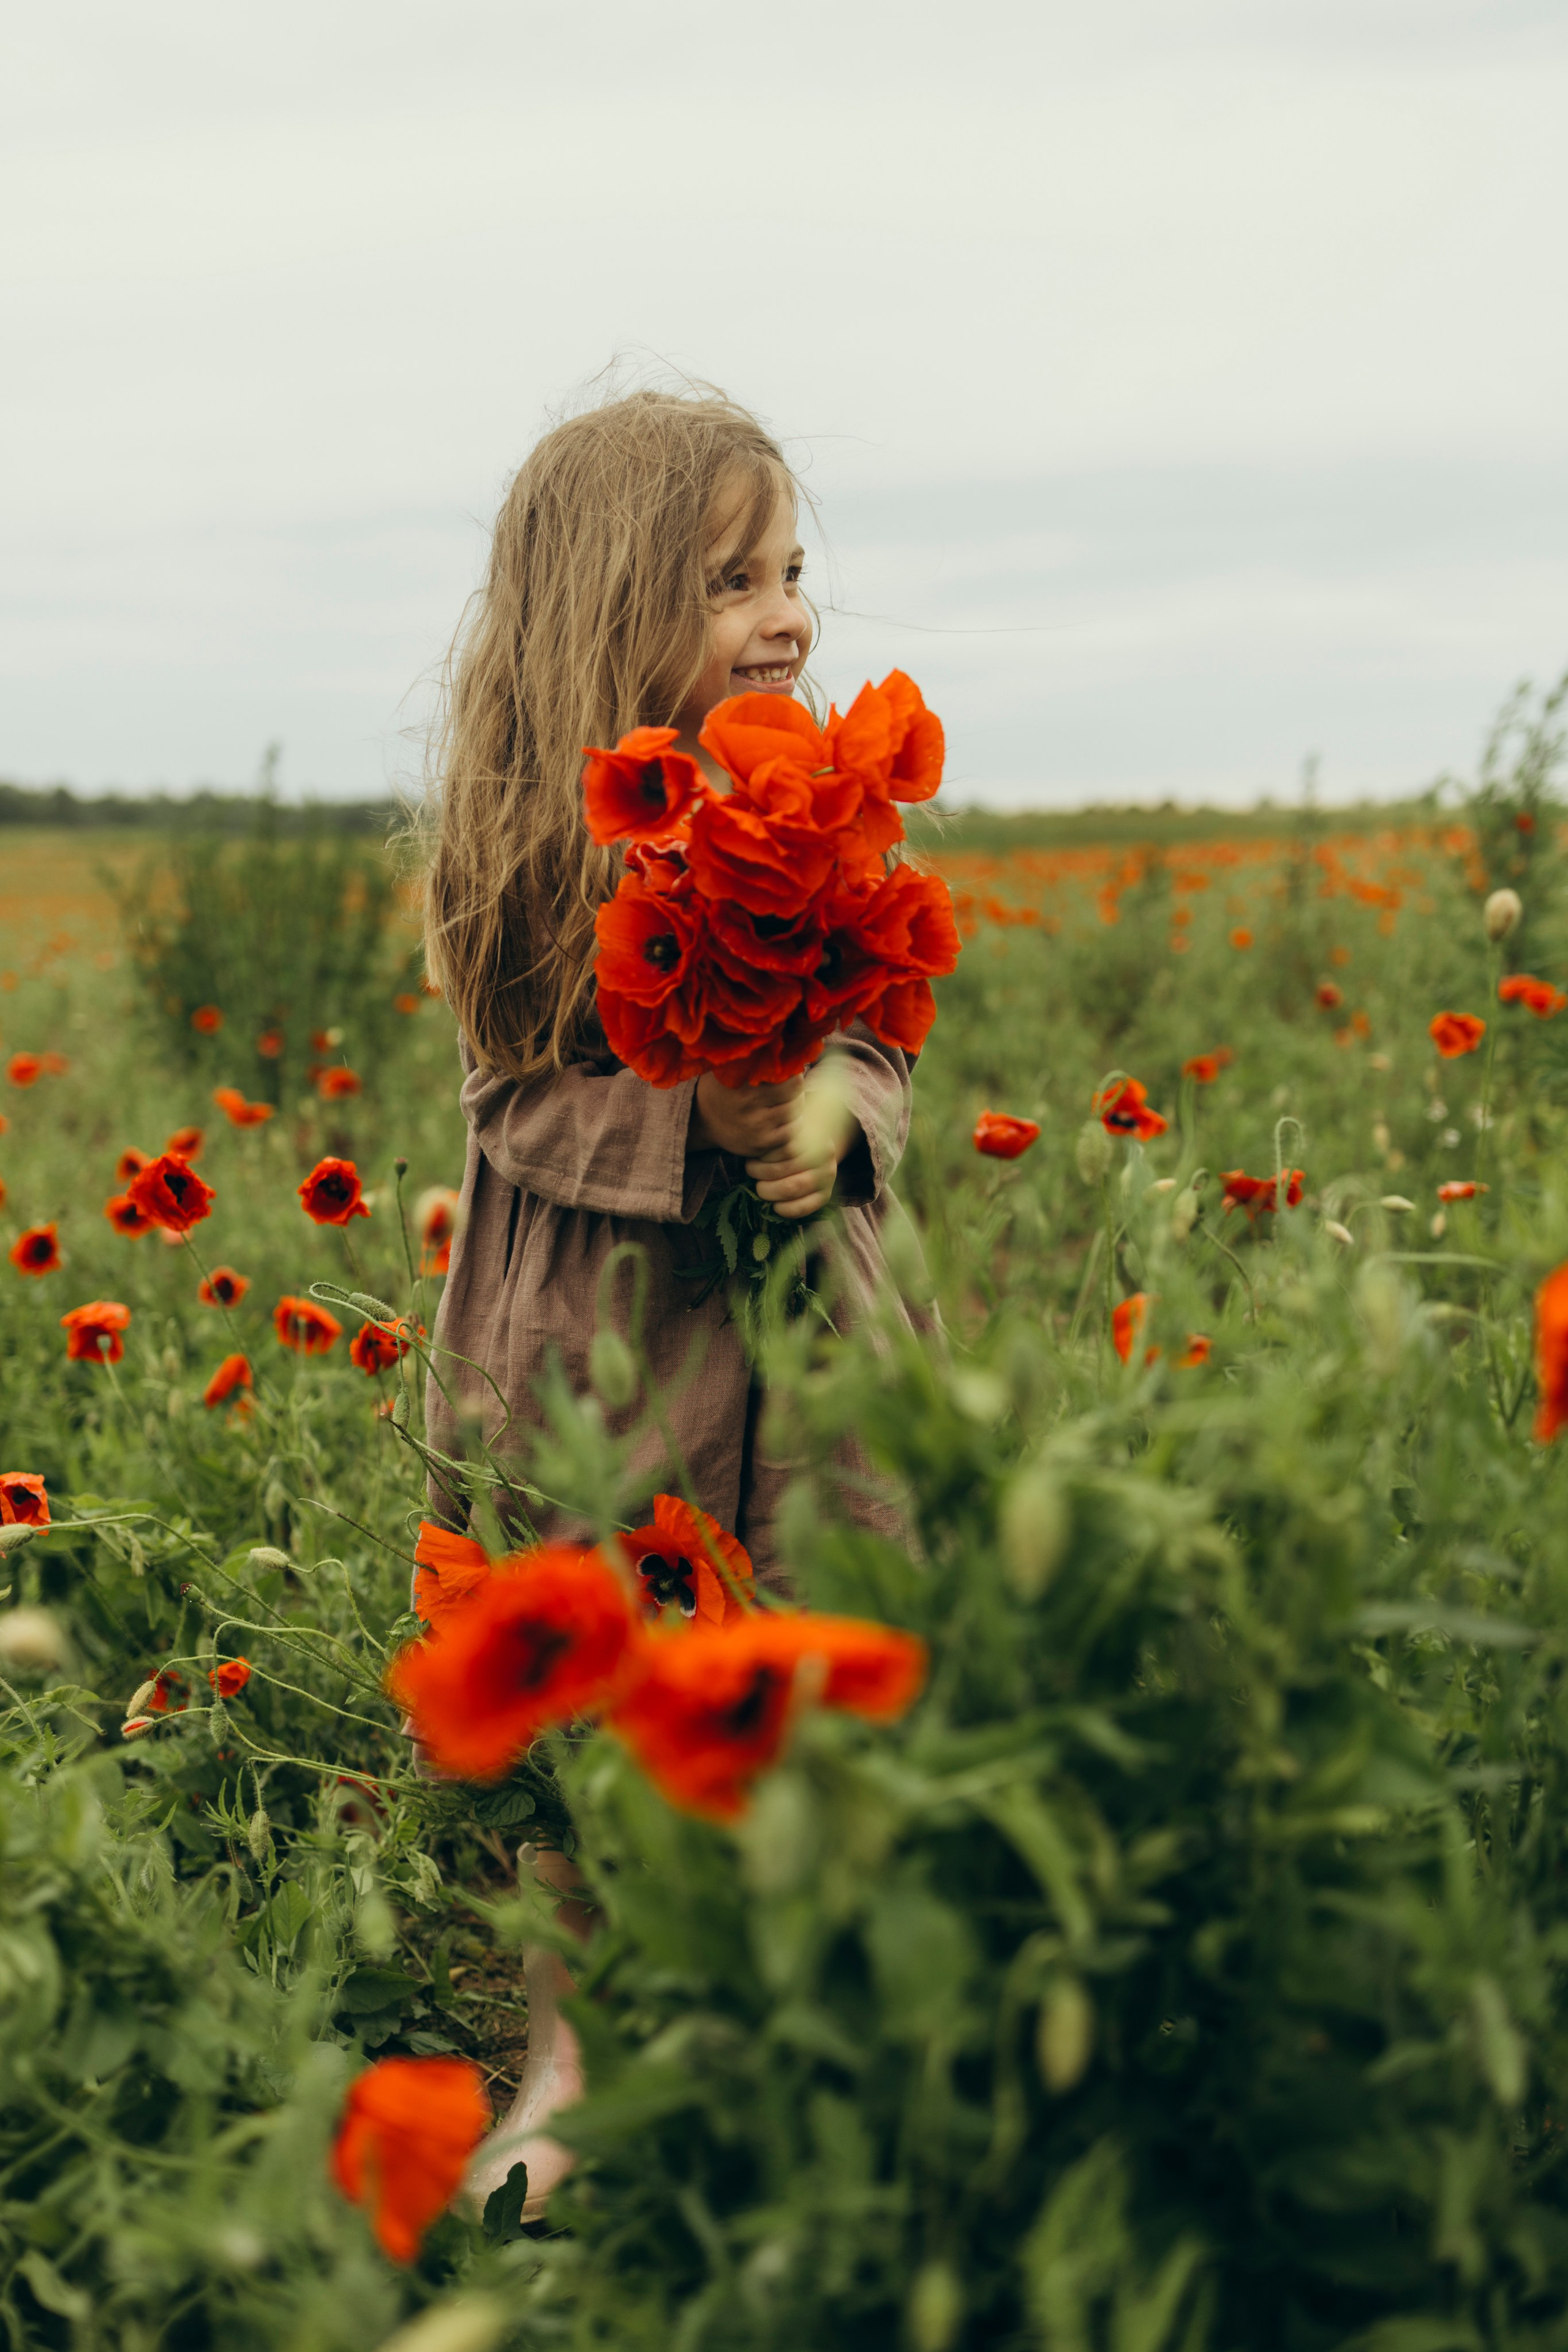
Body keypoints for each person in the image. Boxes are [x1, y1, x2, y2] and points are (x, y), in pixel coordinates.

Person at [420, 383, 922, 2216]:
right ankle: (574, 2052)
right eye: (733, 582)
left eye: (790, 574)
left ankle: (797, 2027)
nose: (786, 615)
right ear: (608, 611)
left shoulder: (834, 807)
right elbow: (510, 1096)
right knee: (592, 1697)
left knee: (815, 1632)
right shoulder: (529, 842)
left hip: (806, 1330)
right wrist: (684, 1117)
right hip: (600, 1336)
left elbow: (885, 1027)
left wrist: (839, 1113)